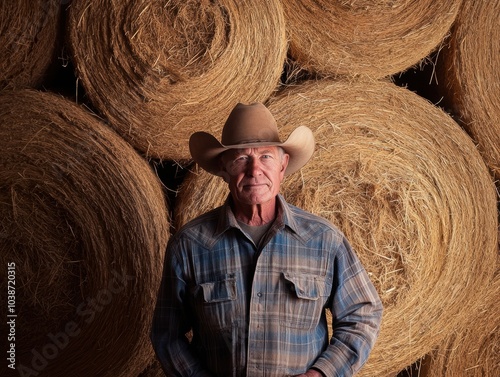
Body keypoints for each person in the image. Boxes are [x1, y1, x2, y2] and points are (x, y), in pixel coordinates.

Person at [151, 103, 383, 377]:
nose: (254, 171)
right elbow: (167, 334)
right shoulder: (189, 244)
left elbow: (362, 315)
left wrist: (321, 374)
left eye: (266, 157)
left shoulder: (324, 240)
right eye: (240, 159)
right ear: (224, 169)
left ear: (283, 165)